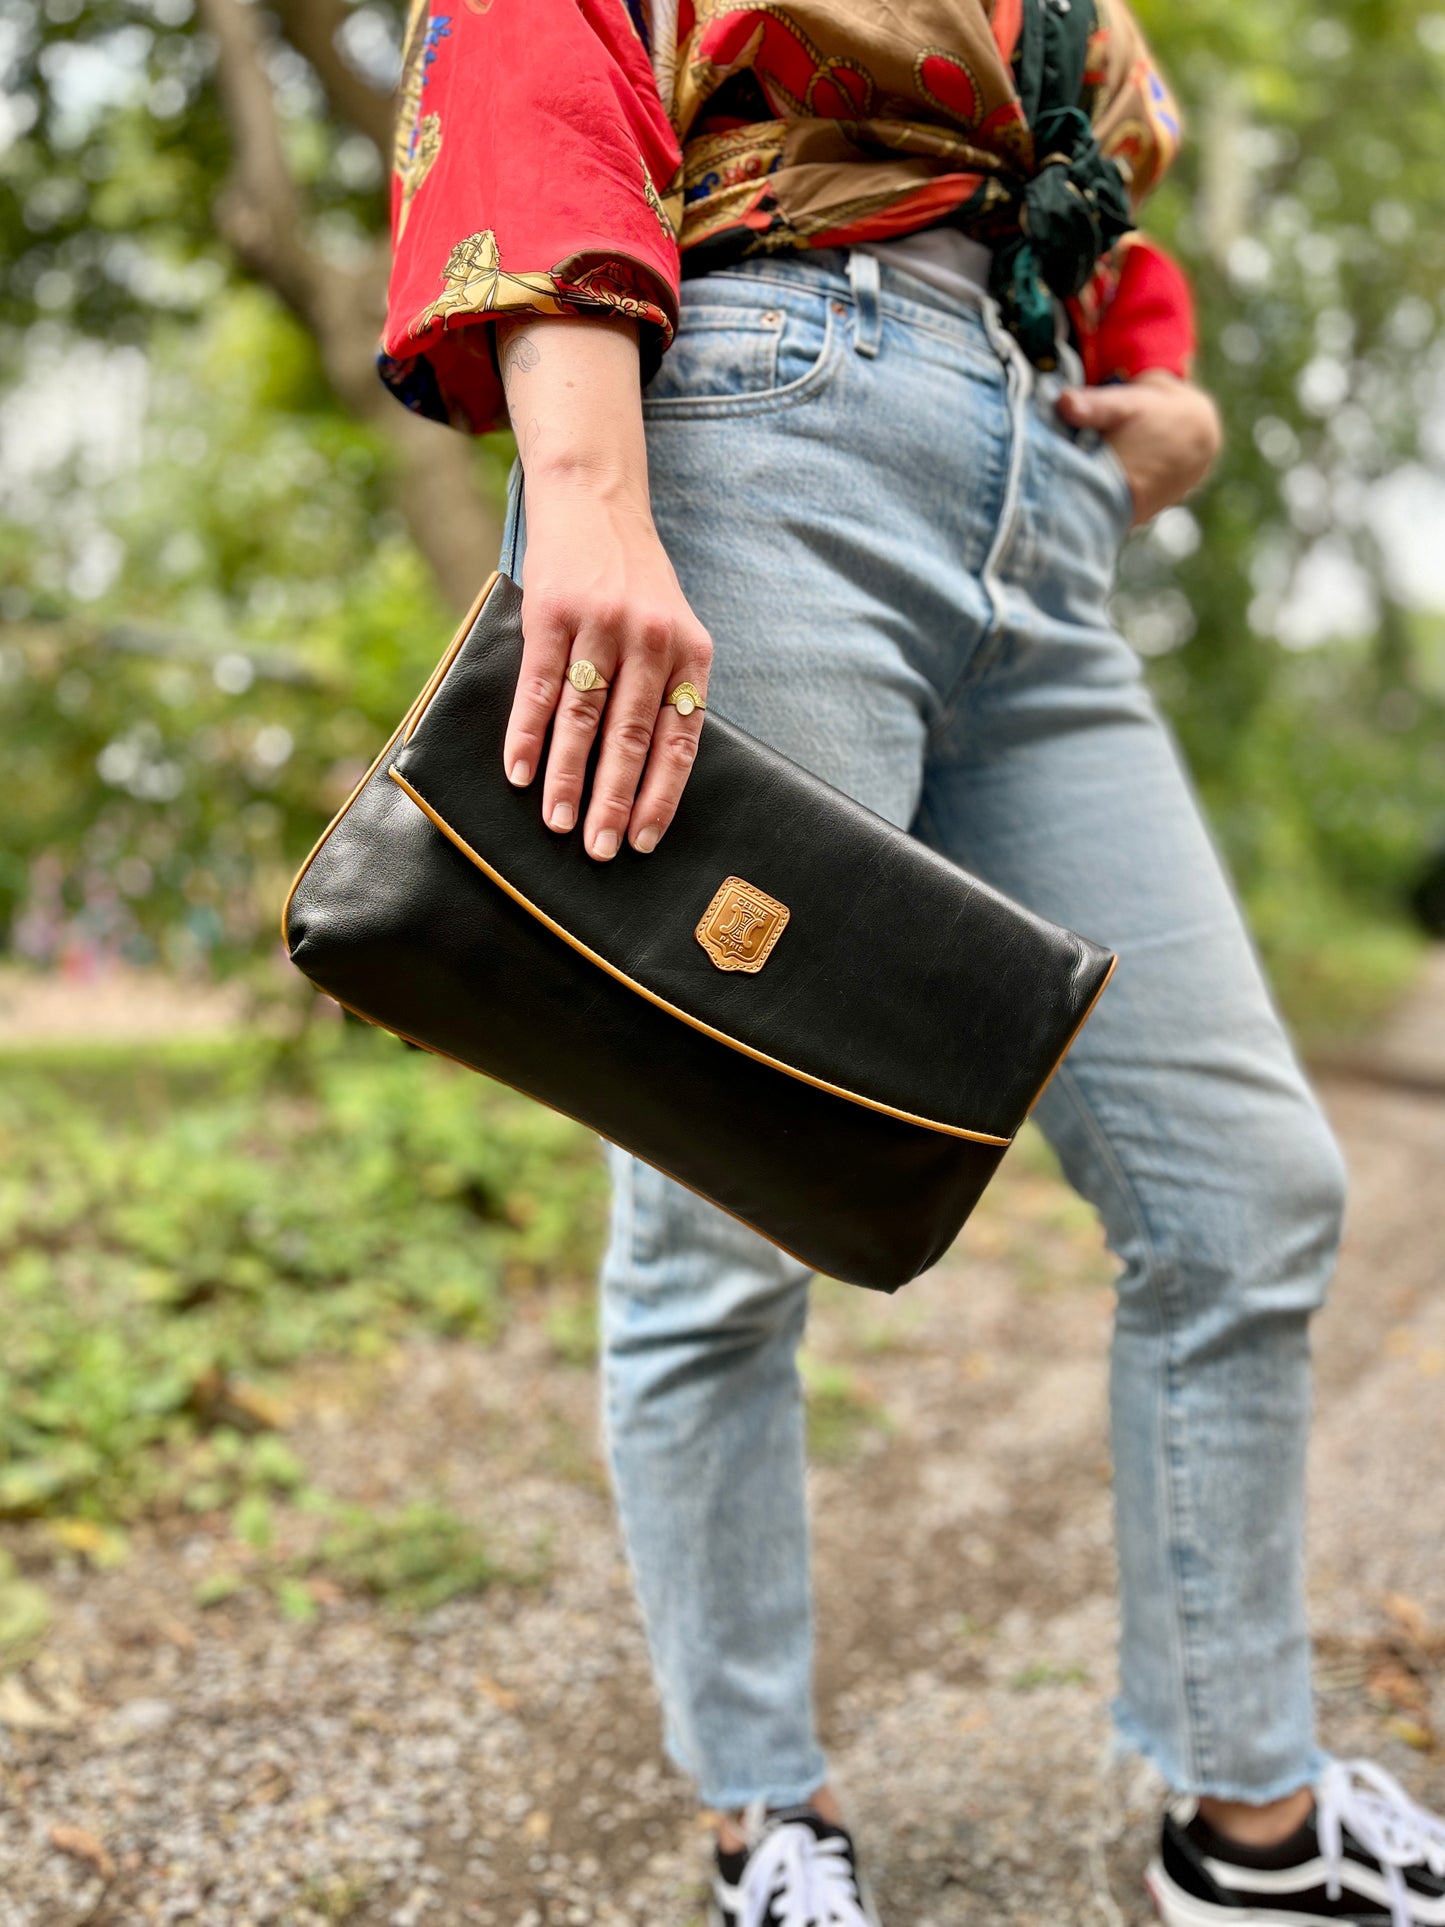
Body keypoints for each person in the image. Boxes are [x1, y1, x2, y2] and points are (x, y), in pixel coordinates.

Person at [377, 5, 1445, 1924]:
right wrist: (593, 494)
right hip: (756, 426)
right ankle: (760, 1816)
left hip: (1043, 518)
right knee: (714, 1223)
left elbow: (1063, 181)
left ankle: (1246, 1823)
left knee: (1247, 1194)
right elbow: (541, 41)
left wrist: (1161, 387)